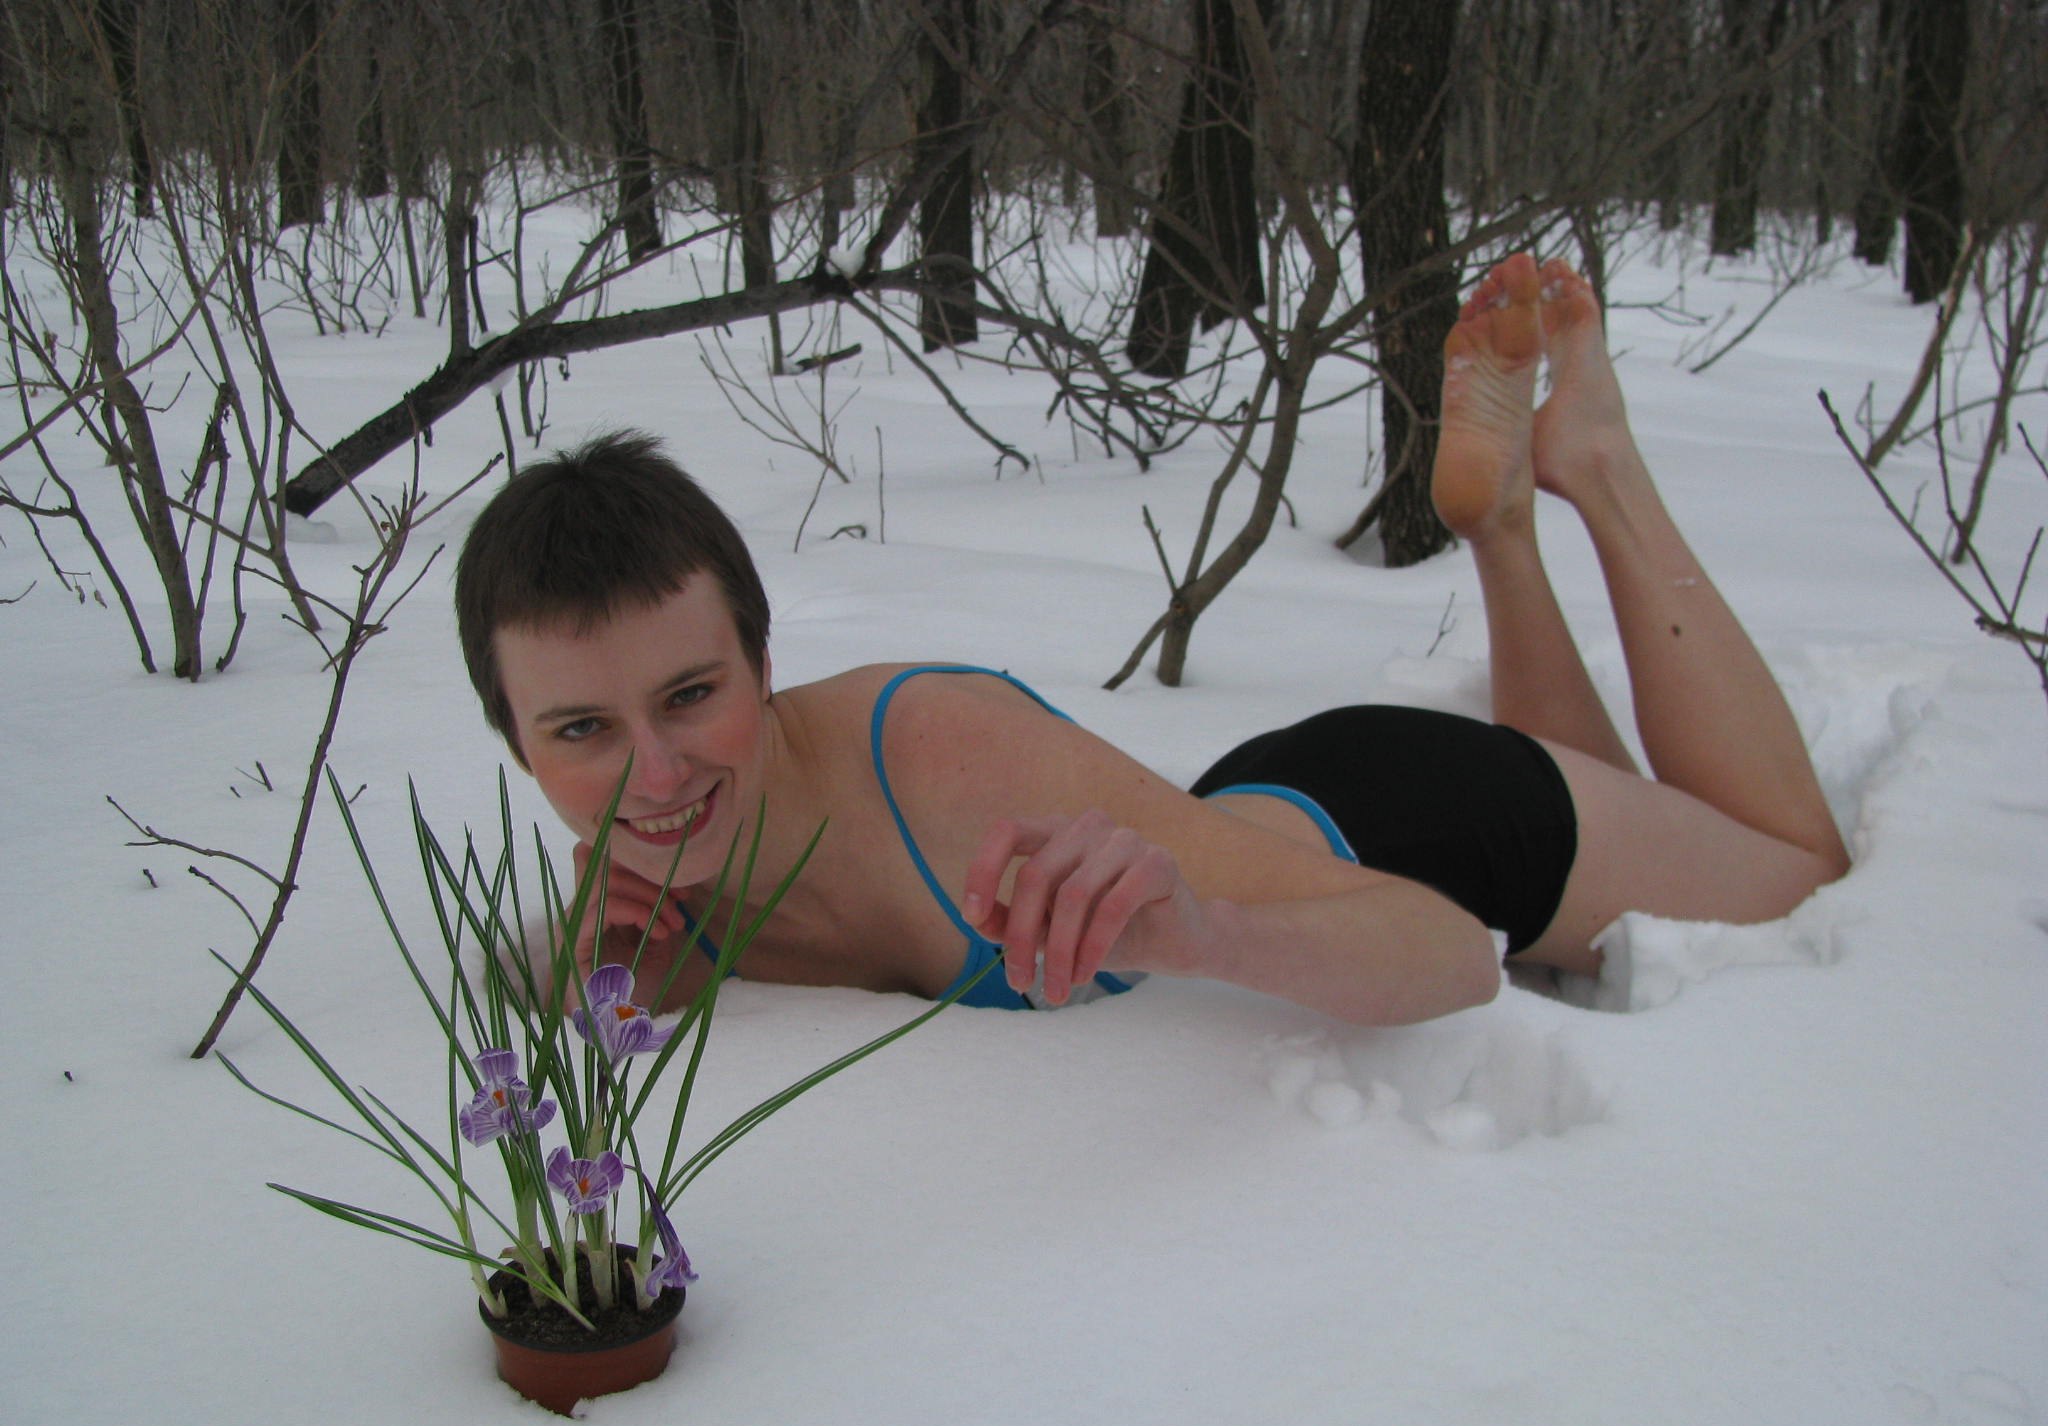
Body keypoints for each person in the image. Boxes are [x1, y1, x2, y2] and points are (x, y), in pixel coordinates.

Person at [452, 254, 1849, 1029]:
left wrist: (1201, 931)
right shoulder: (646, 890)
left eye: (692, 694)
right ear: (516, 741)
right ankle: (1499, 533)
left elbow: (1453, 954)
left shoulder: (934, 752)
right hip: (1264, 801)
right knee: (1622, 799)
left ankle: (1596, 462)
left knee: (1796, 868)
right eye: (582, 729)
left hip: (1417, 825)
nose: (654, 772)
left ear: (764, 663)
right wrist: (611, 966)